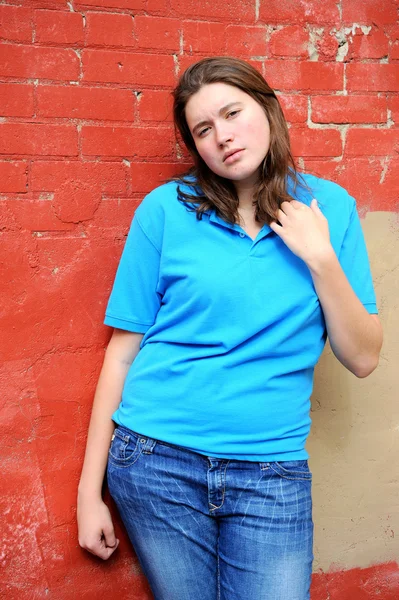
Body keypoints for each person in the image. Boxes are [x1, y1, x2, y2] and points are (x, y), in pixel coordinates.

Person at [77, 57, 383, 600]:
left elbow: (362, 358)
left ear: (267, 108)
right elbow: (122, 354)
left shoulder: (329, 209)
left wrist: (321, 259)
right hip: (156, 462)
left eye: (231, 113)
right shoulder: (165, 211)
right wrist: (88, 492)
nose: (222, 136)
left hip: (272, 472)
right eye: (203, 129)